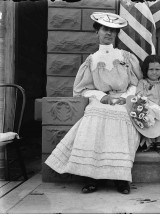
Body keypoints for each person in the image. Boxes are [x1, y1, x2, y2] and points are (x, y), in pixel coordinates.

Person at [45, 12, 143, 194]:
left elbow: (136, 84)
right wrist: (100, 96)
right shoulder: (91, 60)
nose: (109, 34)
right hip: (100, 100)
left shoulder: (125, 57)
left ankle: (120, 178)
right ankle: (90, 177)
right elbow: (81, 89)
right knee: (93, 116)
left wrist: (126, 97)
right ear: (96, 32)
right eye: (105, 29)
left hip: (123, 99)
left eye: (113, 31)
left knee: (122, 116)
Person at [136, 55, 160, 151]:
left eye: (157, 69)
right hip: (148, 107)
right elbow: (139, 96)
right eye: (151, 69)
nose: (154, 72)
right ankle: (149, 140)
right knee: (148, 115)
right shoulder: (142, 83)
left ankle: (159, 140)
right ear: (146, 70)